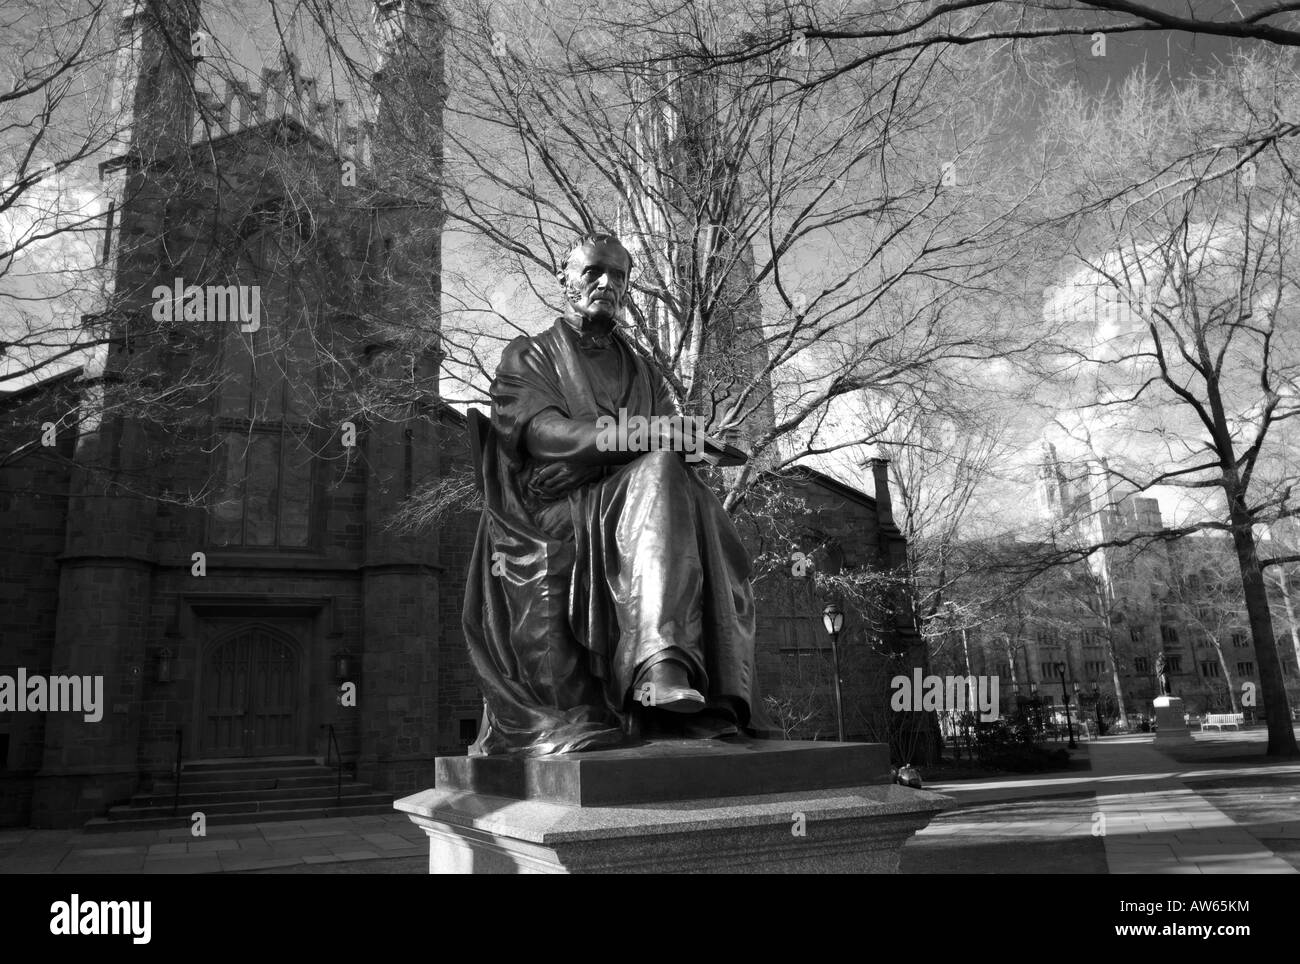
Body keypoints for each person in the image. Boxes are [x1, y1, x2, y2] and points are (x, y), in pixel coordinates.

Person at [462, 233, 761, 755]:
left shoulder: (644, 370)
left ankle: (691, 683)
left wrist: (681, 444)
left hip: (629, 499)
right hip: (554, 514)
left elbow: (668, 439)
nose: (607, 284)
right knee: (658, 472)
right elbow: (543, 435)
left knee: (694, 500)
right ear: (565, 278)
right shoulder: (528, 355)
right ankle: (659, 663)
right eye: (594, 272)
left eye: (618, 276)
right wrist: (636, 439)